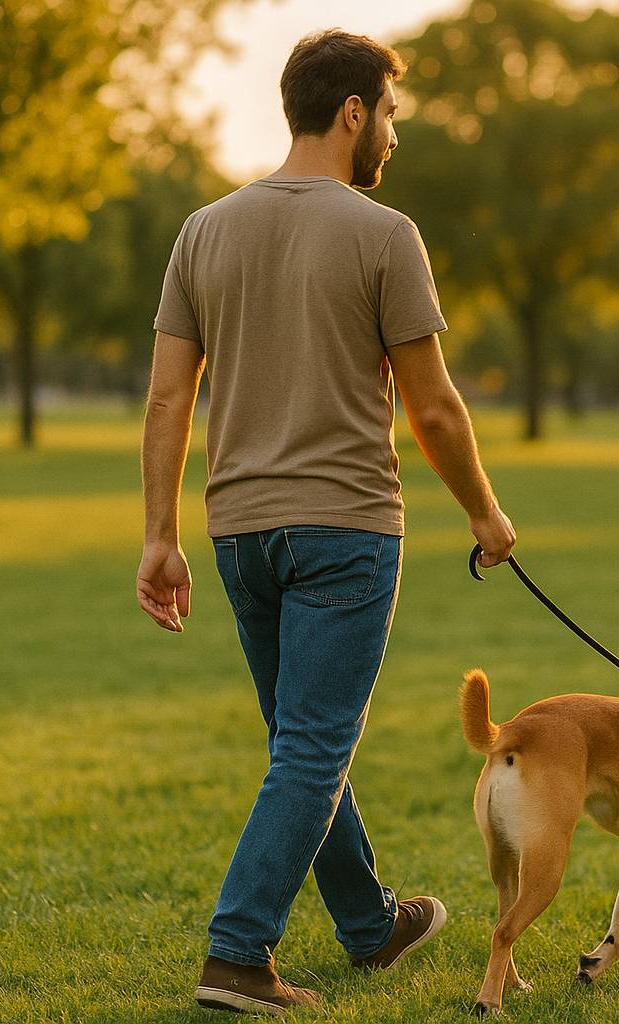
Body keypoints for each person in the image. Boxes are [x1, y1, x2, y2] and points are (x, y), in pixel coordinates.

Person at [136, 29, 516, 1016]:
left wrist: (158, 535)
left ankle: (371, 926)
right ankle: (236, 952)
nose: (392, 132)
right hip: (346, 528)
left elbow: (169, 400)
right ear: (353, 111)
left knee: (302, 743)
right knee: (311, 748)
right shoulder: (383, 233)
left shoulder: (203, 229)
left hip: (239, 534)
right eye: (389, 112)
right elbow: (432, 407)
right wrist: (486, 513)